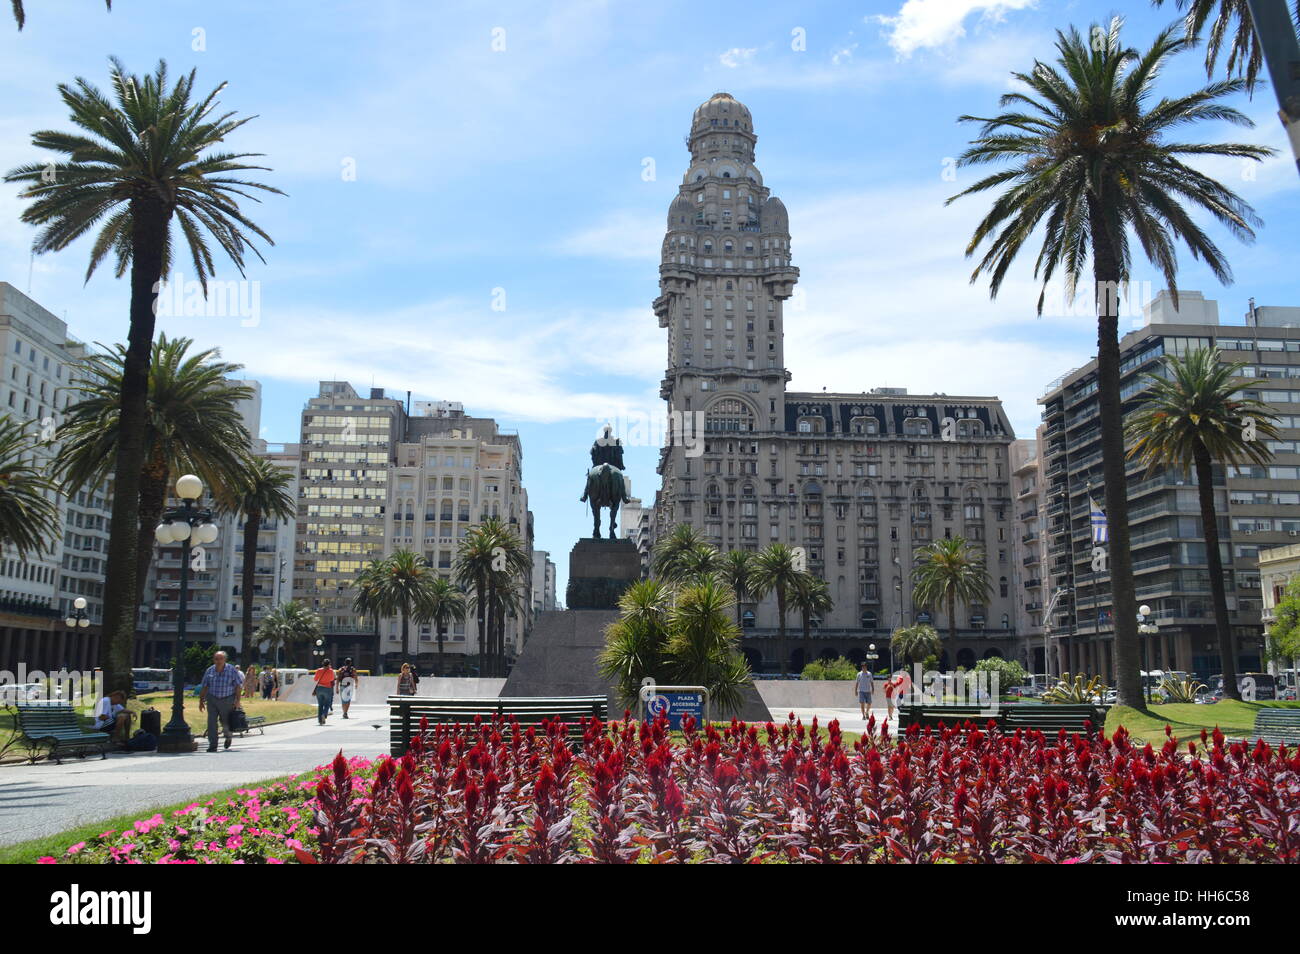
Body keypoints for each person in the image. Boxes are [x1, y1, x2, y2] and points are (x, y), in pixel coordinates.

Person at [198, 651, 245, 752]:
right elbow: (205, 686)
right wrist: (201, 700)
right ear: (213, 660)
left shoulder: (231, 670)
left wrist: (237, 700)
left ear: (225, 660)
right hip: (212, 699)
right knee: (211, 722)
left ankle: (228, 736)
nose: (218, 661)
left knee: (225, 722)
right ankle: (213, 745)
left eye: (221, 659)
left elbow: (238, 686)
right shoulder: (209, 670)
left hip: (227, 698)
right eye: (216, 659)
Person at [313, 659, 336, 725]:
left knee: (320, 705)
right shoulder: (331, 671)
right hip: (327, 688)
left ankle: (320, 720)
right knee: (327, 704)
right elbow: (332, 679)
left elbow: (315, 679)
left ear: (323, 663)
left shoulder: (319, 670)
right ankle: (324, 714)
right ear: (329, 664)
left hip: (319, 688)